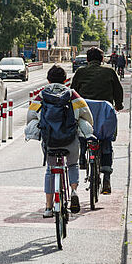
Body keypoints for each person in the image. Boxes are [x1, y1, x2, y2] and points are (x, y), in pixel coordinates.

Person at [25, 65, 93, 217]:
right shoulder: (72, 94)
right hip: (69, 139)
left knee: (50, 169)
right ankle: (74, 190)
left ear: (48, 80)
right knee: (73, 164)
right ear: (65, 80)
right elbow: (86, 114)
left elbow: (31, 115)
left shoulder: (42, 95)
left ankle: (49, 208)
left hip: (50, 141)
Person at [70, 47, 124, 194]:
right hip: (104, 114)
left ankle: (82, 156)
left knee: (82, 132)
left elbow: (73, 92)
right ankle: (106, 178)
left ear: (87, 60)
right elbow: (118, 91)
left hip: (85, 113)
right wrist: (118, 105)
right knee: (106, 141)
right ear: (102, 60)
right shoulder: (109, 72)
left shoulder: (80, 72)